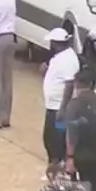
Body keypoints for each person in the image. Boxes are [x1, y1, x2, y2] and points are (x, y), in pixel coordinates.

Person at [63, 69, 96, 191]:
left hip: (81, 154)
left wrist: (69, 158)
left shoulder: (74, 105)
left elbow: (71, 134)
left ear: (77, 84)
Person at [41, 27, 80, 163]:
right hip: (52, 106)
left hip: (59, 108)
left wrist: (63, 108)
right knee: (49, 138)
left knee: (57, 140)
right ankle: (53, 165)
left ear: (56, 43)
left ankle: (59, 166)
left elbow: (69, 84)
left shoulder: (68, 59)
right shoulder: (59, 57)